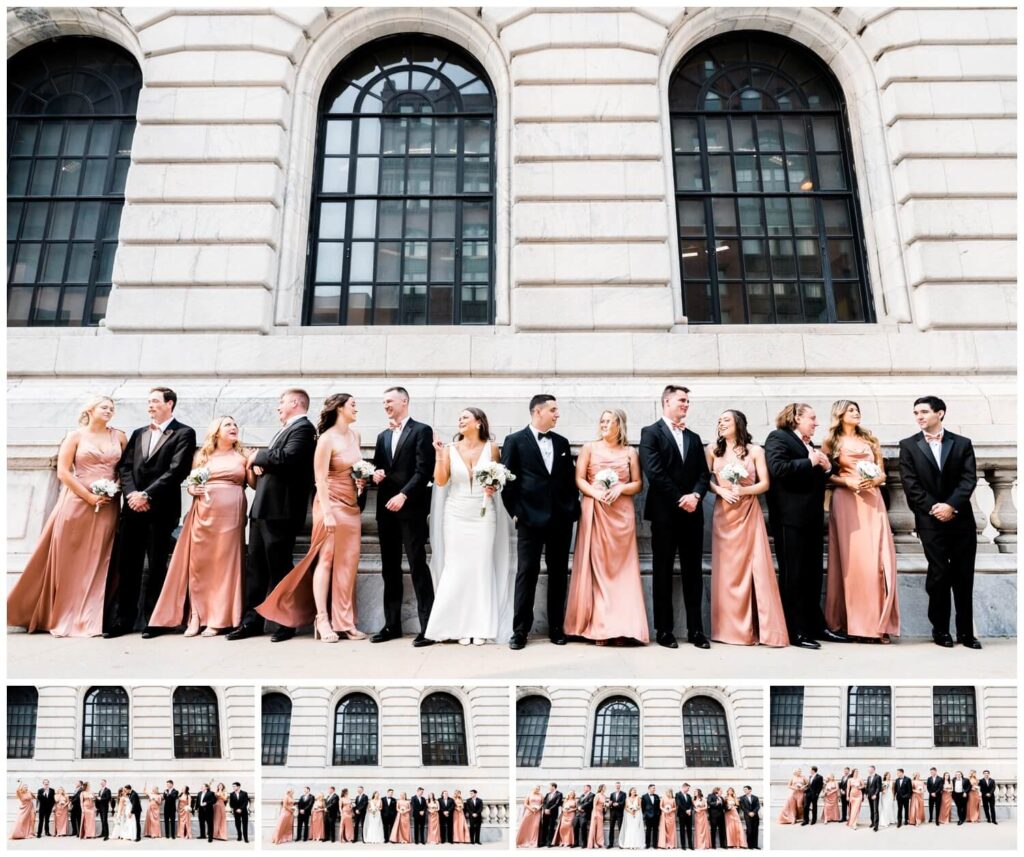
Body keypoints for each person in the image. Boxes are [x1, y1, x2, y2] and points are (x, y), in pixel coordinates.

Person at [8, 396, 127, 637]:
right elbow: (63, 472)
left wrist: (113, 487)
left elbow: (124, 468)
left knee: (99, 557)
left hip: (108, 503)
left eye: (112, 409)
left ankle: (89, 617)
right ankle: (60, 614)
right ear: (90, 410)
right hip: (76, 502)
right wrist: (89, 496)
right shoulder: (75, 436)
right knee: (70, 557)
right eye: (104, 407)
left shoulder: (120, 436)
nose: (109, 411)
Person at [257, 394, 368, 642]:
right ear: (340, 408)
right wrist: (327, 512)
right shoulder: (326, 439)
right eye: (352, 404)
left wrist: (363, 481)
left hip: (350, 505)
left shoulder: (356, 436)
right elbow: (319, 479)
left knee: (348, 564)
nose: (356, 408)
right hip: (329, 504)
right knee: (326, 560)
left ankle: (345, 621)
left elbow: (355, 470)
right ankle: (322, 619)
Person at [146, 417, 251, 636]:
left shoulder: (243, 456)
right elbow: (192, 485)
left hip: (231, 517)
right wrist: (192, 490)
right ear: (216, 432)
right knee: (199, 565)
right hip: (203, 513)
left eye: (235, 425)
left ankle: (218, 618)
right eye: (228, 425)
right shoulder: (201, 456)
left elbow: (253, 484)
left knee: (225, 566)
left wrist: (256, 465)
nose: (233, 427)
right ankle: (196, 615)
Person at [105, 388, 196, 636]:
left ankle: (154, 620)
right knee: (128, 564)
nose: (150, 406)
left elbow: (178, 470)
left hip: (162, 509)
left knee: (157, 565)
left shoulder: (184, 433)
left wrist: (147, 494)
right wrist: (133, 494)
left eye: (155, 401)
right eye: (148, 402)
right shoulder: (138, 433)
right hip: (132, 509)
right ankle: (123, 620)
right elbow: (124, 467)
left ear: (170, 403)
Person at [228, 388, 316, 642]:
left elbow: (289, 457)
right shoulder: (286, 429)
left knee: (279, 569)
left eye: (282, 402)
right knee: (255, 568)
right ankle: (251, 622)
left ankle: (285, 622)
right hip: (263, 509)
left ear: (296, 404)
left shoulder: (304, 429)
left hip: (281, 511)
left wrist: (257, 455)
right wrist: (262, 462)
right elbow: (277, 460)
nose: (278, 407)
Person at [898, 396, 981, 648]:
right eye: (916, 413)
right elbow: (910, 484)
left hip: (960, 519)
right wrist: (935, 508)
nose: (919, 417)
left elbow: (969, 479)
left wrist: (951, 505)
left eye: (924, 411)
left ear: (940, 413)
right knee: (939, 574)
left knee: (964, 576)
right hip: (930, 521)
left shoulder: (962, 443)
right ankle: (940, 630)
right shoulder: (909, 445)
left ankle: (966, 633)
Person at [426, 407, 514, 645]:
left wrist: (493, 487)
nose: (460, 420)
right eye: (459, 418)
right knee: (456, 567)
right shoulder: (449, 449)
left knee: (480, 566)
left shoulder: (492, 448)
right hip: (455, 514)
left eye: (465, 417)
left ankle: (480, 626)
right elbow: (441, 481)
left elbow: (500, 478)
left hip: (484, 515)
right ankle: (458, 626)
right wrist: (438, 455)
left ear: (478, 422)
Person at [502, 394, 581, 649]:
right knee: (527, 572)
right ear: (538, 412)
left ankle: (556, 628)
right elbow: (507, 480)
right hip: (529, 519)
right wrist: (515, 512)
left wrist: (571, 509)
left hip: (560, 519)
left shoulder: (562, 442)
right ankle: (520, 631)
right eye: (553, 410)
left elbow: (568, 479)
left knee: (559, 573)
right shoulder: (514, 441)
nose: (557, 414)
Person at [564, 409, 649, 645]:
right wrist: (596, 494)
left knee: (621, 572)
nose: (603, 424)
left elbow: (638, 484)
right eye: (601, 421)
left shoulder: (630, 452)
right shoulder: (589, 448)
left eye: (608, 421)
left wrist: (621, 488)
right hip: (595, 510)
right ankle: (600, 627)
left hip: (621, 515)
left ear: (619, 425)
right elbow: (579, 479)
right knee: (598, 570)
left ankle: (622, 627)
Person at [765, 402, 846, 649]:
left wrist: (826, 466)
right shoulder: (778, 437)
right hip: (789, 519)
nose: (816, 422)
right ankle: (795, 631)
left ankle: (816, 626)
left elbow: (825, 472)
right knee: (793, 575)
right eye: (811, 418)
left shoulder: (808, 444)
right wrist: (809, 462)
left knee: (813, 575)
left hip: (811, 518)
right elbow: (778, 469)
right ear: (796, 418)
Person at [707, 409, 789, 647]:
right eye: (719, 420)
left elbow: (764, 484)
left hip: (748, 512)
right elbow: (707, 479)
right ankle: (729, 630)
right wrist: (721, 490)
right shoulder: (713, 450)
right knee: (727, 571)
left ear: (738, 424)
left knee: (756, 569)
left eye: (726, 420)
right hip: (724, 514)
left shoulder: (755, 451)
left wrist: (742, 490)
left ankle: (760, 629)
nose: (721, 423)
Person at [638, 385, 711, 649]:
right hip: (665, 513)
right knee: (662, 572)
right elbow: (654, 472)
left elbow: (704, 473)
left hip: (694, 513)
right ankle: (665, 631)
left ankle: (696, 630)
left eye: (688, 401)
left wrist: (696, 496)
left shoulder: (693, 436)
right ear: (666, 401)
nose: (686, 405)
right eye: (682, 400)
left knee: (694, 573)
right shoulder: (650, 433)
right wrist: (681, 498)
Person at [823, 401, 899, 642]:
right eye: (851, 410)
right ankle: (852, 624)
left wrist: (875, 481)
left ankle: (877, 624)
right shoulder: (830, 442)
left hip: (872, 499)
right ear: (840, 415)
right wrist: (847, 482)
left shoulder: (870, 440)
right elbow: (826, 475)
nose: (856, 413)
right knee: (851, 562)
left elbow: (883, 472)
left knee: (877, 560)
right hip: (846, 500)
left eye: (857, 410)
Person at [370, 386, 437, 646]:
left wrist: (404, 495)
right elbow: (379, 466)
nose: (386, 405)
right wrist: (375, 475)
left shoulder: (421, 430)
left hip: (411, 510)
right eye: (383, 402)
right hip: (385, 511)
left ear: (404, 401)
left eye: (389, 401)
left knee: (417, 565)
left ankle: (428, 627)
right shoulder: (382, 435)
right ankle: (392, 625)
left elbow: (424, 471)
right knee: (390, 568)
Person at [540, 783, 564, 847]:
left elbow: (557, 803)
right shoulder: (548, 794)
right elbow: (544, 802)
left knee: (551, 827)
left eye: (549, 786)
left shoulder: (559, 794)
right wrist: (545, 809)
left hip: (553, 813)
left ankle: (549, 842)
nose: (548, 788)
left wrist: (549, 809)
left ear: (553, 787)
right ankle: (543, 842)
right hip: (545, 813)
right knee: (544, 827)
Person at [640, 784, 660, 849]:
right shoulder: (644, 796)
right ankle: (647, 844)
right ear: (649, 789)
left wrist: (658, 814)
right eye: (653, 788)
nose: (654, 789)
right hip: (648, 816)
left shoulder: (657, 796)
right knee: (648, 830)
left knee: (655, 831)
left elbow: (658, 806)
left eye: (654, 788)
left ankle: (655, 845)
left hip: (656, 816)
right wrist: (645, 814)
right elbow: (642, 807)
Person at [606, 783, 626, 847]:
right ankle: (610, 844)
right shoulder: (612, 794)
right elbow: (610, 802)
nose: (617, 786)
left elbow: (623, 802)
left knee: (620, 828)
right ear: (615, 786)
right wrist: (611, 804)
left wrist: (618, 804)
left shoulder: (623, 794)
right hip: (612, 813)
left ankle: (621, 844)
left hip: (620, 813)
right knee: (611, 828)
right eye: (616, 785)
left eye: (618, 785)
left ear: (620, 786)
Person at [675, 783, 694, 849]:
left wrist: (690, 810)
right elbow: (679, 804)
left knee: (689, 830)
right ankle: (683, 846)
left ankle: (690, 845)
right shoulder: (678, 794)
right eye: (688, 788)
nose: (688, 789)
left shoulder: (689, 796)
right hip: (682, 815)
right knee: (682, 830)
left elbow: (692, 804)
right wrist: (686, 810)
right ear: (684, 787)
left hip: (689, 815)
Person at [864, 766, 882, 831]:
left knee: (875, 811)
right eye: (868, 769)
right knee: (871, 810)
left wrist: (875, 794)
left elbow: (878, 787)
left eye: (870, 769)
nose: (869, 770)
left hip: (875, 796)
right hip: (869, 796)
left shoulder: (878, 777)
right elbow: (868, 786)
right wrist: (866, 794)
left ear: (874, 769)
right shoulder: (868, 777)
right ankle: (872, 823)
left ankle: (876, 826)